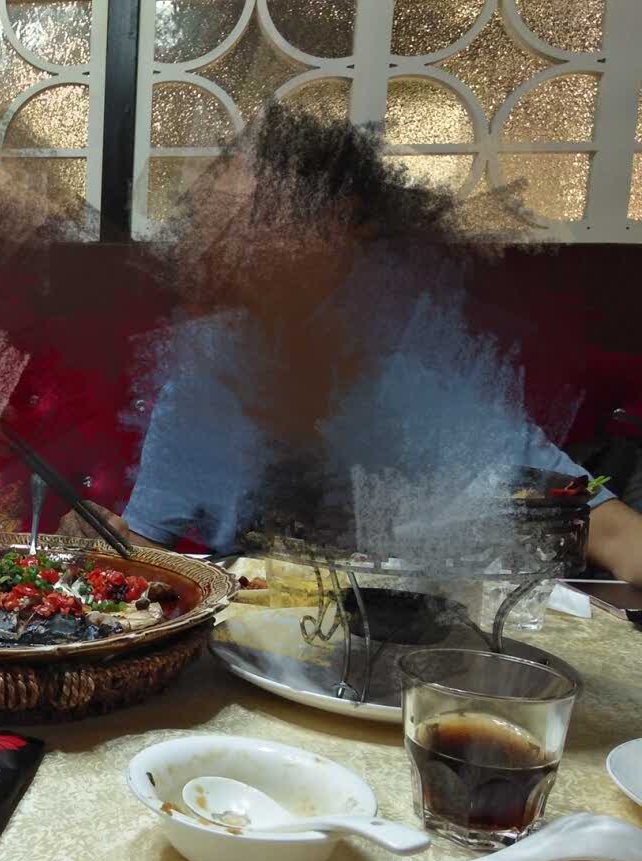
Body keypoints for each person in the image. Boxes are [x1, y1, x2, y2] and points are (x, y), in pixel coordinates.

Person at [57, 107, 642, 588]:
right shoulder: (201, 382)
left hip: (405, 654)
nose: (230, 245)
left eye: (262, 217)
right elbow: (150, 555)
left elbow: (614, 533)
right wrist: (107, 543)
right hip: (257, 653)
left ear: (343, 227)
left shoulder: (428, 376)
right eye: (222, 223)